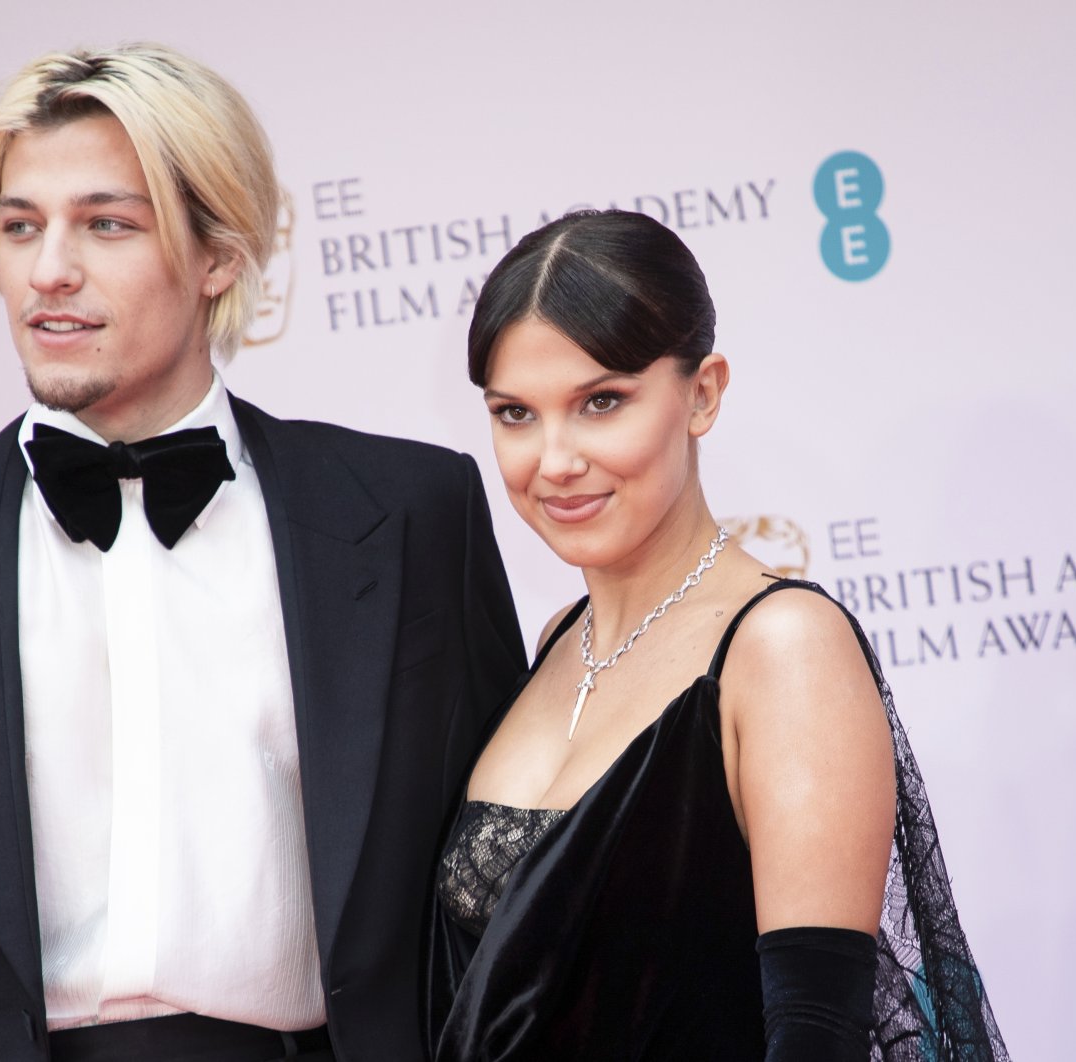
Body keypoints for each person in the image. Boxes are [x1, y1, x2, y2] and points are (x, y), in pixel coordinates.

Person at [0, 44, 524, 1062]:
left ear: (217, 255)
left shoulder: (412, 513)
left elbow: (500, 904)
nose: (49, 269)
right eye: (20, 226)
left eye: (107, 224)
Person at [424, 209, 1009, 1060]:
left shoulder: (783, 647)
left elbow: (816, 1037)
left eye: (601, 402)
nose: (552, 460)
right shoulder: (558, 641)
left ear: (702, 393)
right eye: (515, 414)